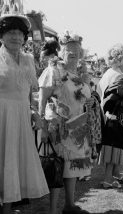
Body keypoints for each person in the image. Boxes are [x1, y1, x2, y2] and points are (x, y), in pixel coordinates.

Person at [38, 31, 93, 214]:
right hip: (58, 127)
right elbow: (43, 99)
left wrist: (89, 100)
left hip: (77, 127)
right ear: (61, 51)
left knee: (71, 167)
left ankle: (69, 205)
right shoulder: (54, 70)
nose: (73, 52)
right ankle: (53, 209)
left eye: (76, 50)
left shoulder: (79, 74)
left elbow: (82, 99)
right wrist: (43, 126)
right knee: (57, 167)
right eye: (69, 49)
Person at [0, 14, 49, 214]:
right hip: (1, 115)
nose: (16, 37)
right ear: (1, 36)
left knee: (13, 163)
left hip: (20, 118)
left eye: (20, 33)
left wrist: (34, 113)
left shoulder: (29, 60)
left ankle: (7, 210)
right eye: (11, 32)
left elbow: (29, 94)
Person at [97, 44, 123, 188]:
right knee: (114, 147)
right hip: (115, 116)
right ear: (121, 59)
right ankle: (108, 179)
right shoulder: (119, 76)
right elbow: (121, 97)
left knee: (110, 148)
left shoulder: (107, 73)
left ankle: (115, 174)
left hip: (105, 115)